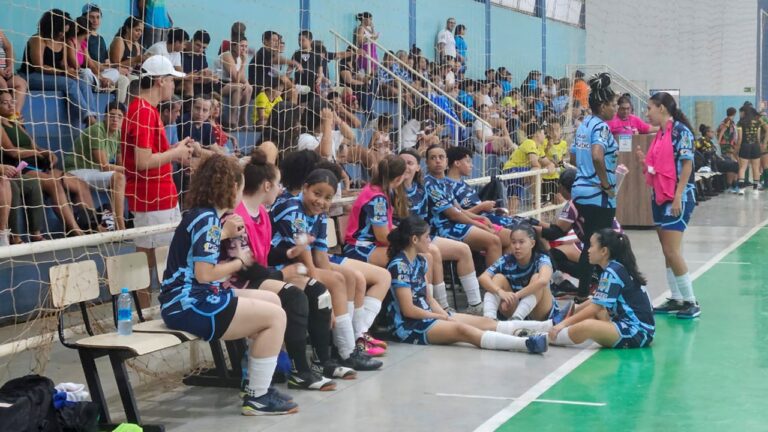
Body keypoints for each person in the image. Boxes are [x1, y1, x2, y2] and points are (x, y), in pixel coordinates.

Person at [159, 153, 297, 415]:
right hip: (190, 304)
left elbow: (202, 249)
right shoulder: (207, 220)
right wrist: (239, 261)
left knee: (272, 300)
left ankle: (252, 382)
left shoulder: (204, 216)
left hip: (191, 299)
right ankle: (258, 396)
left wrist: (225, 234)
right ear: (233, 187)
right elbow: (205, 274)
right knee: (276, 317)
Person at [219, 149, 340, 390]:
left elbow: (264, 255)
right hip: (234, 281)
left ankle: (322, 362)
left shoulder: (262, 214)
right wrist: (283, 274)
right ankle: (299, 371)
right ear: (267, 186)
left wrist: (288, 254)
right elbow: (245, 268)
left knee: (318, 291)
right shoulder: (237, 216)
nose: (281, 189)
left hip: (257, 275)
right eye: (277, 185)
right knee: (295, 297)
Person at [269, 168, 383, 371]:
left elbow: (320, 256)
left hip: (300, 263)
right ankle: (346, 352)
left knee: (350, 276)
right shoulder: (292, 209)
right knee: (337, 281)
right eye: (317, 193)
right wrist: (324, 293)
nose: (321, 201)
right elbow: (305, 258)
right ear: (305, 188)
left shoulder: (320, 214)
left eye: (327, 198)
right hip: (280, 265)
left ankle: (349, 342)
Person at [386, 215, 548, 353]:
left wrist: (444, 315)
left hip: (429, 315)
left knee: (487, 323)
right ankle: (524, 344)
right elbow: (408, 310)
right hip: (410, 326)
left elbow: (429, 299)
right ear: (414, 239)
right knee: (462, 330)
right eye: (427, 237)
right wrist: (439, 317)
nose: (430, 240)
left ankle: (547, 328)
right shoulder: (399, 266)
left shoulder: (421, 261)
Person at [122, 55, 193, 306]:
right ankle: (146, 313)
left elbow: (151, 155)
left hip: (157, 196)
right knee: (152, 262)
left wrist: (175, 149)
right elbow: (142, 161)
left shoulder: (145, 110)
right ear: (161, 81)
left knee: (152, 260)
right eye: (172, 80)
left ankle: (147, 312)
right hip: (152, 198)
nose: (174, 86)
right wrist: (175, 153)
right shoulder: (143, 112)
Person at [635, 92, 700, 319]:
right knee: (667, 250)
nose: (646, 113)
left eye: (649, 108)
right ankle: (676, 297)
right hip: (661, 196)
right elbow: (659, 167)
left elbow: (686, 165)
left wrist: (678, 196)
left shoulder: (681, 132)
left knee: (672, 250)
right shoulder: (661, 134)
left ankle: (691, 301)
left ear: (661, 108)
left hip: (677, 196)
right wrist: (644, 163)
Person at [547, 229, 655, 348]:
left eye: (591, 246)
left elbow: (596, 307)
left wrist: (563, 324)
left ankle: (544, 338)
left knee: (588, 326)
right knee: (591, 306)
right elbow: (596, 303)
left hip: (636, 332)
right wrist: (569, 315)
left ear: (604, 251)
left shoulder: (612, 272)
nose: (588, 250)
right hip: (633, 325)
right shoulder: (617, 266)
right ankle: (551, 324)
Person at [0, 91, 88, 236]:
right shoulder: (1, 127)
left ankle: (91, 224)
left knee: (77, 183)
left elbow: (35, 146)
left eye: (12, 101)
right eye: (5, 103)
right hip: (22, 166)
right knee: (53, 183)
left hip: (38, 163)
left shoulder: (17, 123)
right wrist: (36, 153)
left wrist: (47, 153)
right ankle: (74, 229)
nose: (10, 105)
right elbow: (12, 152)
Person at [570, 73, 618, 304]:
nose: (615, 108)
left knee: (590, 243)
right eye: (613, 104)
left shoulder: (583, 125)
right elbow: (598, 156)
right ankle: (596, 293)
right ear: (603, 105)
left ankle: (584, 292)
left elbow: (573, 155)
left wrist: (585, 169)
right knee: (603, 244)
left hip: (580, 191)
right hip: (598, 194)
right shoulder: (601, 127)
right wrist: (606, 184)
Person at [424, 145, 503, 268]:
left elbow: (459, 209)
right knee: (494, 241)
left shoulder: (445, 182)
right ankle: (491, 279)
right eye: (433, 158)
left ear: (446, 161)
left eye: (441, 157)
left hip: (455, 224)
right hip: (442, 228)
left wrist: (481, 219)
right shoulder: (429, 183)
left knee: (503, 238)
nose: (438, 161)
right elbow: (454, 215)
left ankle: (502, 277)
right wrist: (480, 225)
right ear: (427, 163)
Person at [20, 9, 96, 125]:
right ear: (53, 27)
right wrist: (63, 73)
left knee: (82, 82)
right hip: (31, 76)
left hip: (54, 76)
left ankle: (93, 116)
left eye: (65, 32)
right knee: (69, 84)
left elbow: (63, 65)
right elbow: (38, 67)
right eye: (61, 31)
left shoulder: (62, 41)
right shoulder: (38, 39)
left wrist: (70, 71)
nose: (62, 34)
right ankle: (89, 119)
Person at [479, 224, 565, 322]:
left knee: (537, 278)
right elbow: (483, 277)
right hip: (513, 308)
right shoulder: (506, 260)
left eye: (521, 242)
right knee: (498, 278)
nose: (517, 247)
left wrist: (516, 296)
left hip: (538, 313)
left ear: (532, 243)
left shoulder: (542, 259)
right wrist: (500, 292)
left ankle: (516, 320)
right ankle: (489, 319)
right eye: (513, 242)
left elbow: (543, 281)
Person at [63, 101, 127, 230]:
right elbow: (104, 166)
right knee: (119, 178)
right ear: (105, 116)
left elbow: (121, 163)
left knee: (127, 178)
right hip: (76, 170)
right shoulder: (97, 130)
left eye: (119, 116)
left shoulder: (119, 134)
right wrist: (132, 170)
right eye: (111, 115)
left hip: (93, 171)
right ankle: (121, 226)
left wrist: (131, 171)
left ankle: (120, 218)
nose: (115, 119)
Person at [502, 121, 554, 213]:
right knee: (536, 170)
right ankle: (536, 201)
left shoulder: (538, 147)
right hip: (512, 170)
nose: (545, 135)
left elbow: (547, 162)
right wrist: (543, 170)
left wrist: (551, 165)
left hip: (517, 171)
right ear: (537, 134)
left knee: (514, 199)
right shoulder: (529, 142)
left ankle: (511, 216)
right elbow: (534, 163)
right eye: (543, 133)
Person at [217, 35, 253, 129]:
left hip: (232, 84)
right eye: (241, 46)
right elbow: (235, 79)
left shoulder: (239, 58)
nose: (244, 49)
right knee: (238, 87)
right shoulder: (226, 55)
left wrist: (247, 84)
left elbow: (242, 78)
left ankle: (243, 118)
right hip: (219, 84)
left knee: (249, 88)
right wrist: (244, 63)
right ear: (233, 46)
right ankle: (232, 119)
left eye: (246, 46)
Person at [734, 103, 768, 194]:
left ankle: (741, 189)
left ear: (744, 112)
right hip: (755, 146)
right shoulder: (757, 122)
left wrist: (736, 149)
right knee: (756, 168)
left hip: (745, 146)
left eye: (741, 112)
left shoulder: (740, 122)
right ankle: (755, 189)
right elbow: (758, 137)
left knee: (742, 167)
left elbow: (740, 138)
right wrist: (762, 145)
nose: (740, 114)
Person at [0, 28, 27, 115]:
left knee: (21, 83)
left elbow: (9, 48)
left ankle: (15, 115)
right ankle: (5, 115)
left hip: (5, 73)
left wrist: (10, 65)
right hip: (1, 76)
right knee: (2, 84)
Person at [717, 107, 740, 192]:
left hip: (730, 144)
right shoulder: (728, 121)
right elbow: (723, 130)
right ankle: (731, 185)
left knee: (734, 164)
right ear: (734, 113)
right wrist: (719, 141)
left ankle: (734, 184)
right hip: (727, 145)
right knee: (731, 164)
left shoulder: (727, 120)